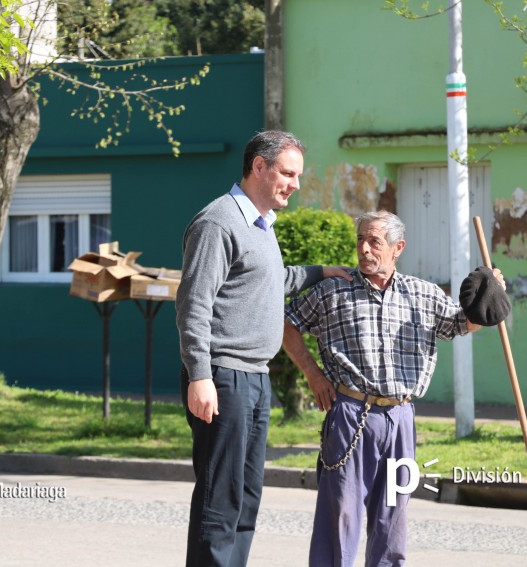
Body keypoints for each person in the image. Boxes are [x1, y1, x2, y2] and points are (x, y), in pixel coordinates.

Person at [282, 210, 509, 567]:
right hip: (351, 414)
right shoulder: (332, 290)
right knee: (340, 514)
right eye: (361, 240)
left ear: (397, 247)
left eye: (374, 241)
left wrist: (488, 294)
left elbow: (461, 324)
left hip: (402, 417)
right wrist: (313, 374)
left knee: (393, 516)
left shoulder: (423, 294)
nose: (365, 249)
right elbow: (286, 322)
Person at [175, 130, 351, 567]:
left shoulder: (260, 225)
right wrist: (199, 376)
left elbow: (273, 279)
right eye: (288, 173)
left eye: (297, 175)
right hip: (222, 377)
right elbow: (193, 305)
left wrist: (322, 271)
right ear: (259, 167)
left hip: (255, 377)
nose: (295, 184)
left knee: (247, 497)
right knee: (221, 498)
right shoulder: (218, 222)